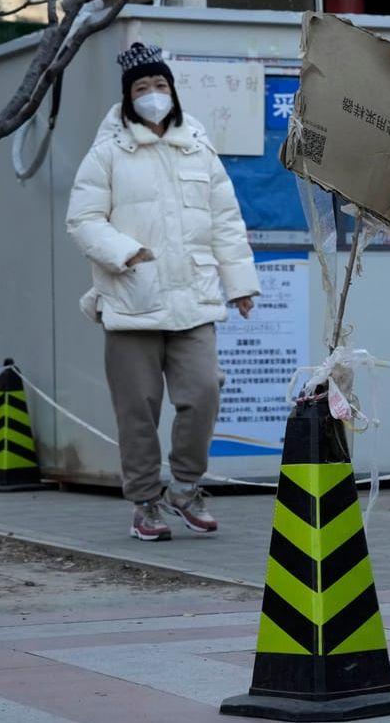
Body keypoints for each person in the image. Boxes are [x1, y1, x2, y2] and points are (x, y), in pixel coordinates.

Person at [66, 42, 261, 542]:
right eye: (142, 88)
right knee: (138, 411)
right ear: (128, 99)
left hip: (193, 300)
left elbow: (225, 222)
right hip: (132, 300)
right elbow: (83, 219)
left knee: (204, 393)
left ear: (172, 91)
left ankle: (187, 487)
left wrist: (239, 284)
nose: (153, 95)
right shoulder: (108, 151)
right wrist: (124, 252)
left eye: (160, 86)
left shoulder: (198, 145)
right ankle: (146, 502)